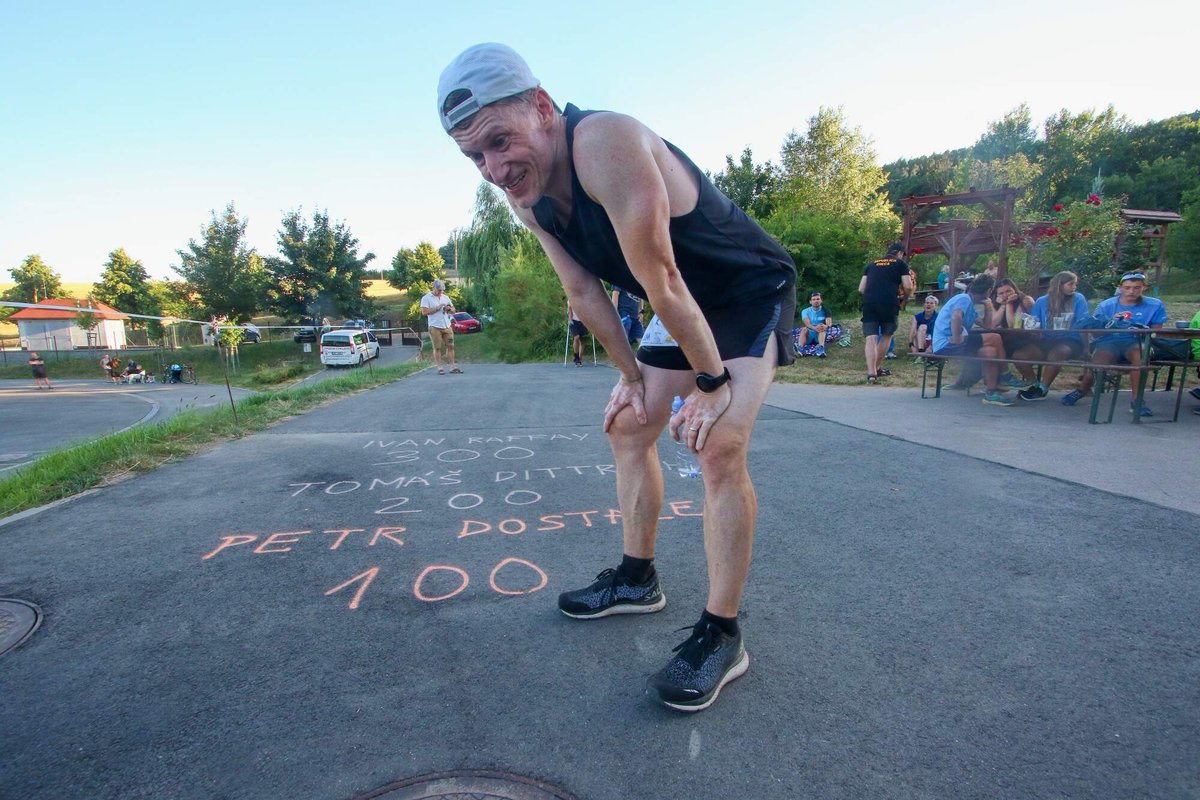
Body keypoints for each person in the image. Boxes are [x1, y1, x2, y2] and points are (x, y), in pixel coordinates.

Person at [439, 43, 797, 712]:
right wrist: (630, 376)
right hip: (680, 301)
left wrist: (713, 384)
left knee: (719, 444)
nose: (494, 169)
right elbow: (583, 290)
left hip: (745, 291)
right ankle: (637, 579)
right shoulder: (528, 198)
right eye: (475, 157)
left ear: (542, 107)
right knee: (629, 426)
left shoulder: (606, 142)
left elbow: (660, 277)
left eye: (499, 141)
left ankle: (723, 634)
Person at [1062, 272, 1166, 417]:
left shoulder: (1155, 304)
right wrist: (1110, 325)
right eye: (1127, 288)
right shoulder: (1106, 305)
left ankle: (1137, 400)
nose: (1132, 291)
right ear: (1120, 288)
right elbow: (1096, 333)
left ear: (1144, 287)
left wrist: (1139, 330)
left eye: (1137, 288)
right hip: (1109, 341)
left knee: (1141, 355)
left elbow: (1156, 332)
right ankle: (1082, 390)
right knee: (1099, 361)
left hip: (1137, 341)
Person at [930, 274, 1014, 406]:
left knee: (990, 352)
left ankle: (991, 393)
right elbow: (956, 316)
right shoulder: (964, 298)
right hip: (946, 343)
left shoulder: (969, 303)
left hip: (948, 345)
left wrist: (989, 306)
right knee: (995, 337)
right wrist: (956, 338)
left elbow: (988, 325)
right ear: (989, 290)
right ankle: (1006, 375)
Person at [1013, 271, 1090, 401]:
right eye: (1071, 284)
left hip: (1071, 339)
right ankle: (1035, 385)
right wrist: (1033, 328)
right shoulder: (1042, 301)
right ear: (1059, 285)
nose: (1074, 287)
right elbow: (1034, 321)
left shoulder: (1078, 298)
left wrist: (1086, 348)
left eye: (1075, 284)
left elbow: (1084, 322)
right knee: (1019, 356)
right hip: (1046, 338)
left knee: (1058, 352)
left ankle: (1043, 389)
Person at [858, 243, 912, 383]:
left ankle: (871, 373)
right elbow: (908, 286)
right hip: (889, 303)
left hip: (869, 303)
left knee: (871, 337)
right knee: (887, 335)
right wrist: (905, 297)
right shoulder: (900, 264)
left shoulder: (872, 264)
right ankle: (876, 368)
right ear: (899, 253)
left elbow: (861, 288)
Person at [420, 279, 462, 375]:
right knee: (437, 348)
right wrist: (437, 307)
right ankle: (440, 367)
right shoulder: (426, 298)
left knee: (451, 346)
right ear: (434, 288)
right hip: (434, 327)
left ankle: (452, 366)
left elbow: (453, 310)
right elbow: (424, 312)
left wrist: (449, 309)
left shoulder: (445, 297)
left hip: (447, 326)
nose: (440, 292)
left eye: (442, 290)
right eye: (439, 290)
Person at [799, 292, 833, 357]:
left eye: (818, 299)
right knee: (804, 329)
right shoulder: (805, 311)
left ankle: (821, 349)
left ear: (821, 300)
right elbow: (807, 323)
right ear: (810, 302)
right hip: (810, 333)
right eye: (813, 299)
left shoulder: (826, 310)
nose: (816, 301)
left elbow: (829, 323)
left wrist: (825, 326)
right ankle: (800, 348)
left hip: (820, 335)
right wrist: (815, 328)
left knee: (822, 329)